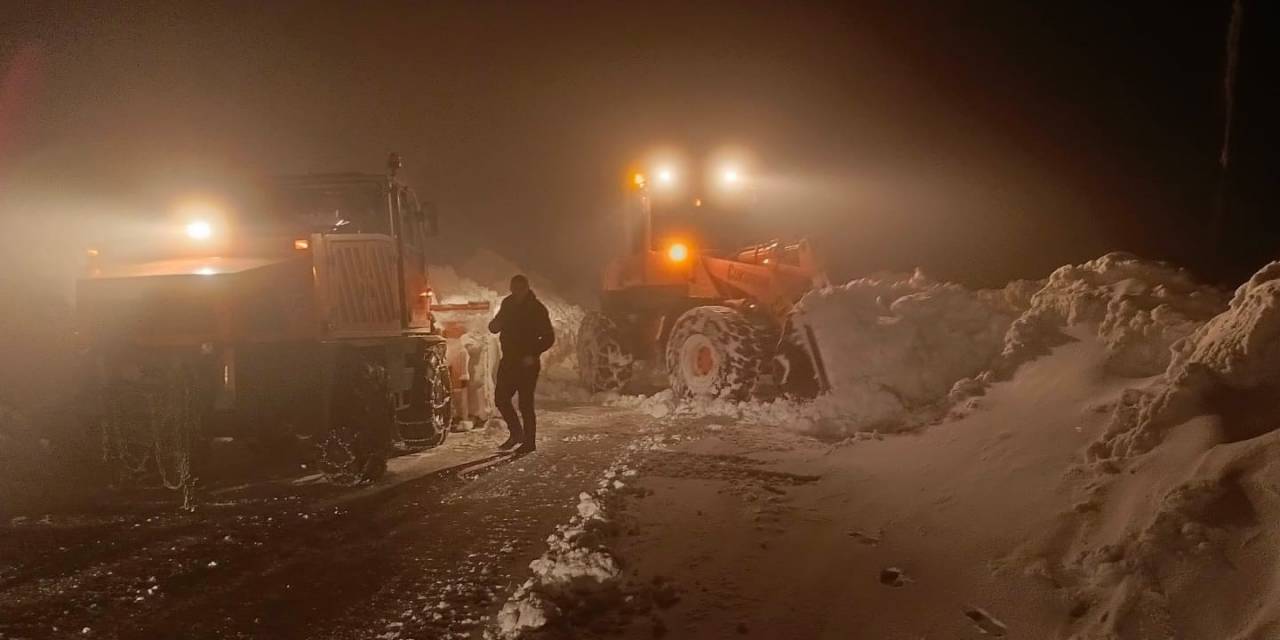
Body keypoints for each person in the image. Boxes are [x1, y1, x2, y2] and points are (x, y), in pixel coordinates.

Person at [488, 274, 554, 453]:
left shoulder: (537, 309)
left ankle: (529, 442)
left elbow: (549, 337)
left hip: (527, 363)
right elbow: (495, 326)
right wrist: (495, 325)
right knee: (501, 398)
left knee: (525, 404)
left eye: (519, 289)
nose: (516, 292)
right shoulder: (507, 304)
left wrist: (532, 354)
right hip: (509, 360)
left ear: (526, 288)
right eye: (513, 288)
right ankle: (516, 433)